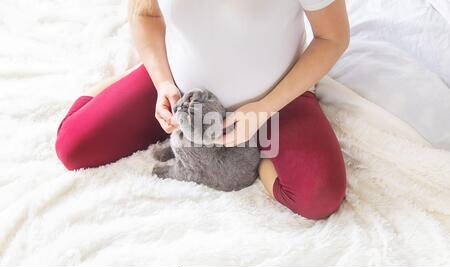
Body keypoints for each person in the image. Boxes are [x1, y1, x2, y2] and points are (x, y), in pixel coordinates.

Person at [55, 0, 350, 220]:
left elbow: (333, 37)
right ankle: (138, 72)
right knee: (73, 147)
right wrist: (162, 83)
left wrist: (263, 110)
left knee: (319, 196)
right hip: (182, 95)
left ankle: (260, 155)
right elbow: (145, 13)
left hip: (277, 102)